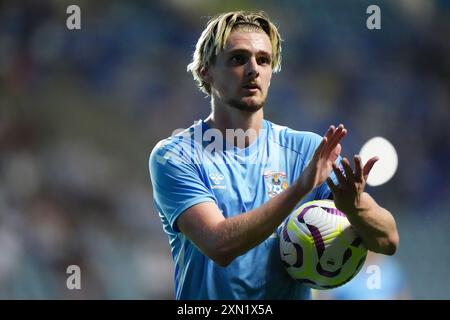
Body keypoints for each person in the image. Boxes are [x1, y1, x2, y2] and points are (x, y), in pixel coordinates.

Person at [149, 10, 399, 300]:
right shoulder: (176, 156)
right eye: (238, 59)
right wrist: (299, 189)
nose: (253, 69)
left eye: (263, 60)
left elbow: (387, 240)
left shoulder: (306, 150)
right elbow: (219, 245)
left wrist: (355, 207)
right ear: (207, 70)